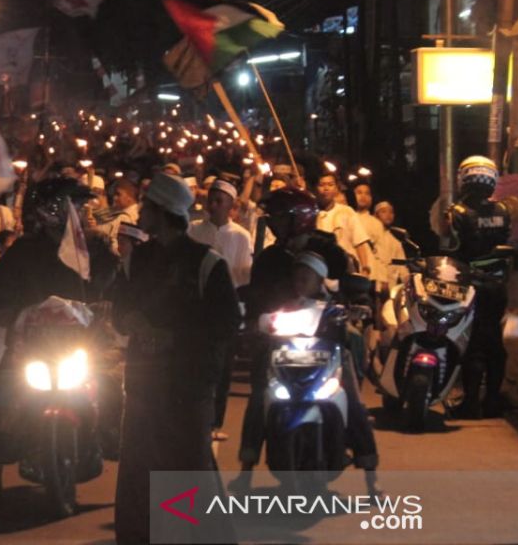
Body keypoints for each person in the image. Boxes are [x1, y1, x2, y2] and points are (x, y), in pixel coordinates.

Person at [112, 173, 241, 545]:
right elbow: (119, 306)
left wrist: (174, 338)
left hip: (187, 388)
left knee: (186, 471)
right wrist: (129, 319)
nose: (141, 214)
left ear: (164, 212)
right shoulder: (138, 260)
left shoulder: (207, 264)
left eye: (148, 207)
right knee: (138, 473)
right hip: (142, 387)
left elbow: (226, 323)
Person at [0, 178, 93, 502]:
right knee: (5, 400)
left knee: (109, 392)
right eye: (77, 207)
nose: (83, 213)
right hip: (31, 344)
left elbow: (113, 284)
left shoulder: (89, 248)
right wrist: (6, 313)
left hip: (76, 344)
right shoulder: (25, 249)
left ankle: (101, 450)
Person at [229, 251, 379, 491]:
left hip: (328, 365)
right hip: (287, 364)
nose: (299, 284)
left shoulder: (334, 305)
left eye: (305, 278)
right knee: (259, 400)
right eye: (296, 278)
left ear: (320, 280)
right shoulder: (284, 304)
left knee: (353, 404)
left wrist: (354, 314)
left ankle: (371, 478)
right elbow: (262, 320)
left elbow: (354, 318)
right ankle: (246, 470)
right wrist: (254, 325)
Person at [443, 155, 512, 418]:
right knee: (494, 342)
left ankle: (471, 403)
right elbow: (506, 242)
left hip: (469, 285)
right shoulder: (504, 211)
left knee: (473, 345)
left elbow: (450, 246)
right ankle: (492, 400)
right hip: (497, 284)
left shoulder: (456, 213)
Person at [187, 177, 253, 442]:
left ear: (231, 206)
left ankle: (215, 422)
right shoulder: (192, 230)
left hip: (226, 310)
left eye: (219, 201)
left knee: (222, 367)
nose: (212, 205)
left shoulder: (240, 236)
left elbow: (243, 277)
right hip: (196, 309)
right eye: (210, 199)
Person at [314, 173, 374, 278]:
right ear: (316, 188)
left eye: (330, 184)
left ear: (337, 189)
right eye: (322, 185)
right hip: (319, 269)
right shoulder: (312, 213)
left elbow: (359, 242)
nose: (326, 188)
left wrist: (365, 269)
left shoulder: (347, 211)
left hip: (346, 269)